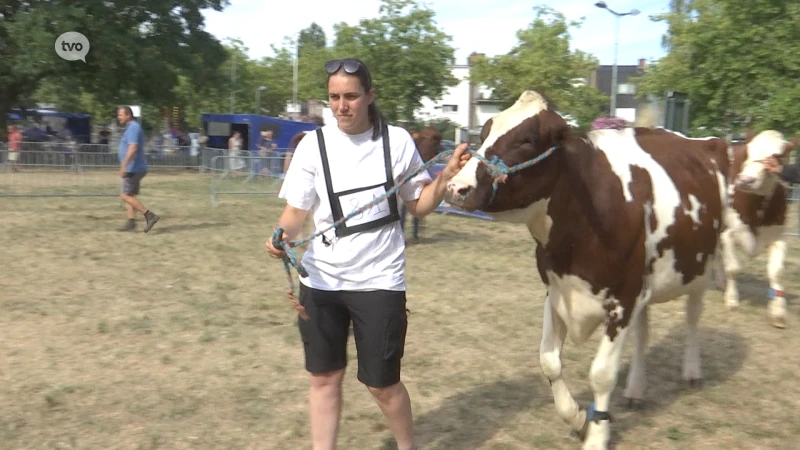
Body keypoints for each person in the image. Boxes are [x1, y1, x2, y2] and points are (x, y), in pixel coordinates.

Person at [264, 58, 469, 450]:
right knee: (323, 377)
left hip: (379, 281)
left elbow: (418, 206)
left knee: (382, 383)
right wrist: (281, 236)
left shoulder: (396, 142)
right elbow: (295, 213)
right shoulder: (314, 145)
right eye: (334, 97)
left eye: (351, 97)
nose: (342, 106)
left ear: (369, 97)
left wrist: (443, 180)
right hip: (321, 280)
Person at [116, 106, 160, 233]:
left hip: (133, 168)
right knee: (130, 195)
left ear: (128, 115)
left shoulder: (133, 127)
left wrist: (124, 165)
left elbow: (133, 148)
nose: (119, 117)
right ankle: (131, 222)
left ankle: (149, 215)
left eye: (121, 115)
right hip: (134, 167)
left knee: (124, 195)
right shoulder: (131, 128)